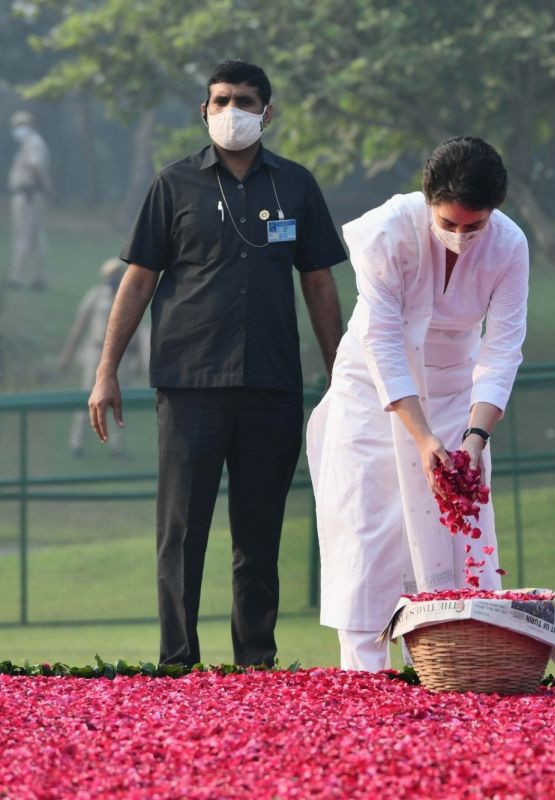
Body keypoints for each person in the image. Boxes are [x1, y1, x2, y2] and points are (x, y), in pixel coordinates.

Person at [87, 60, 347, 667]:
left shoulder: (296, 186)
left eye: (247, 101)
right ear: (204, 110)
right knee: (181, 534)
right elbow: (138, 281)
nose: (234, 110)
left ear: (267, 112)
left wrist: (341, 372)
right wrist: (106, 371)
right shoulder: (173, 185)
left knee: (258, 534)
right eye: (222, 100)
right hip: (190, 384)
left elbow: (318, 283)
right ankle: (178, 660)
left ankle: (255, 661)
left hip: (272, 385)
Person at [308, 136, 528, 672]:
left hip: (456, 392)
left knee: (450, 534)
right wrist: (422, 436)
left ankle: (447, 670)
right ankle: (365, 672)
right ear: (427, 199)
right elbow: (382, 340)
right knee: (369, 527)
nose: (459, 237)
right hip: (373, 391)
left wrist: (474, 437)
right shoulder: (388, 230)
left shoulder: (509, 246)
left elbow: (501, 349)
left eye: (472, 226)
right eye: (447, 224)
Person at [59, 257, 149, 457]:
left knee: (121, 396)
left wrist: (140, 358)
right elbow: (80, 325)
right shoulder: (96, 296)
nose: (114, 278)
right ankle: (77, 441)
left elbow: (137, 330)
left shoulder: (126, 295)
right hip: (96, 352)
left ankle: (116, 445)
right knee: (87, 395)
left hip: (122, 354)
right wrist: (68, 353)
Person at [6, 110, 52, 290]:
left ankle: (17, 276)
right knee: (33, 237)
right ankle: (37, 276)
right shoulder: (28, 143)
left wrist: (45, 187)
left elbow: (36, 166)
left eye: (19, 125)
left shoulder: (33, 143)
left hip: (28, 195)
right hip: (28, 195)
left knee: (25, 236)